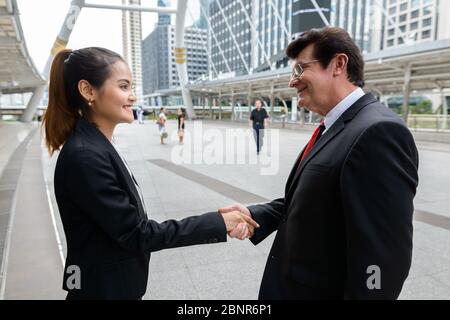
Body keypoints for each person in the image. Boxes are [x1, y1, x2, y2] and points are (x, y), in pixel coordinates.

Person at [42, 47, 259, 300]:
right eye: (123, 87)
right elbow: (137, 233)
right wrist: (218, 223)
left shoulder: (97, 146)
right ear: (88, 91)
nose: (132, 97)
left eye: (131, 87)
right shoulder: (86, 155)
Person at [220, 27, 419, 299]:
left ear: (338, 64)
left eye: (300, 69)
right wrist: (256, 215)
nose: (293, 81)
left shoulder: (377, 132)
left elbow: (383, 258)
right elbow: (317, 200)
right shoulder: (334, 125)